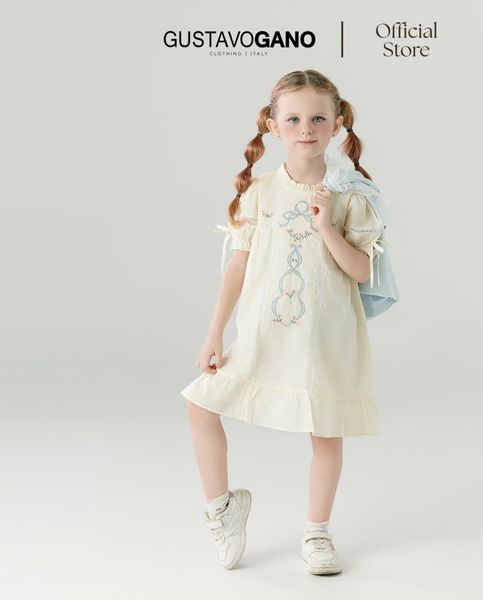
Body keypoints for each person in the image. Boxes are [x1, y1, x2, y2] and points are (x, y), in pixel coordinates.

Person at [181, 69, 393, 575]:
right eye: (293, 119)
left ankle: (317, 533)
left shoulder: (351, 195)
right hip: (264, 335)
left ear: (337, 124)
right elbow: (237, 267)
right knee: (200, 408)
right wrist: (214, 334)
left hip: (325, 339)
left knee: (325, 431)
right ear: (273, 126)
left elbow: (363, 271)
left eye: (318, 118)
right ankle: (223, 510)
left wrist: (326, 227)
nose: (306, 129)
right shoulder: (258, 193)